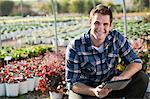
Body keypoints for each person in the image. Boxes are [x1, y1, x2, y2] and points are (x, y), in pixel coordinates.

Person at [65, 4, 149, 99]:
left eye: (105, 24)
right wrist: (94, 91)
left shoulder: (116, 38)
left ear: (110, 26)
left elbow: (136, 62)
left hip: (110, 87)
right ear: (90, 22)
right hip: (87, 90)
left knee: (142, 78)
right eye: (97, 23)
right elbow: (72, 83)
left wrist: (121, 78)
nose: (100, 28)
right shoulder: (75, 46)